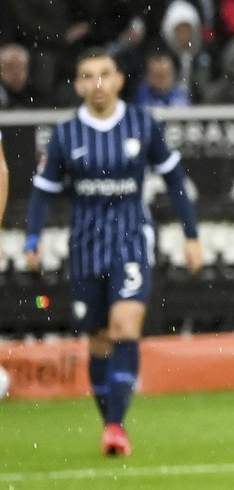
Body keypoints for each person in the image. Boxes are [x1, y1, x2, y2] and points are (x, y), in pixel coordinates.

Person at [24, 49, 203, 457]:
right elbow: (43, 193)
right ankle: (111, 422)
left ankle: (116, 427)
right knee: (99, 340)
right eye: (88, 76)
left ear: (120, 80)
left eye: (105, 75)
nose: (97, 84)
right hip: (85, 246)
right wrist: (32, 239)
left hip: (131, 240)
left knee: (125, 325)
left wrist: (191, 235)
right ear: (78, 85)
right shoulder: (66, 134)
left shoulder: (142, 123)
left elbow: (175, 179)